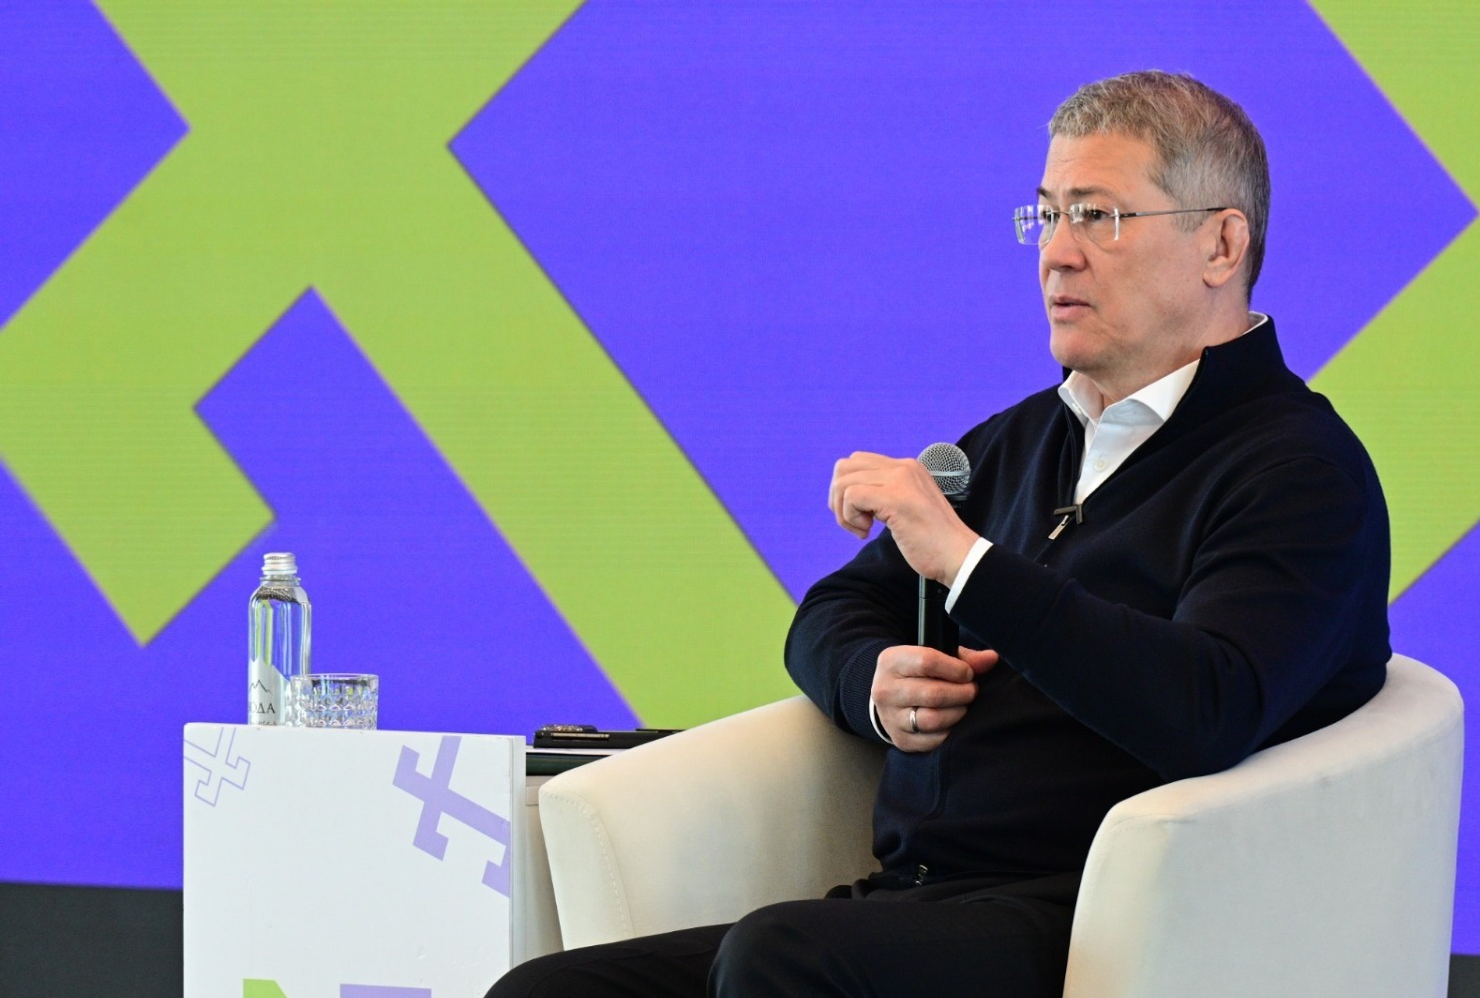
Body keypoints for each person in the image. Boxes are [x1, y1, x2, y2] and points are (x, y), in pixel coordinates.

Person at [487, 69, 1390, 998]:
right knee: (547, 993)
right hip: (918, 899)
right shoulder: (1020, 441)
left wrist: (968, 563)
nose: (1057, 256)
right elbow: (837, 609)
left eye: (1099, 217)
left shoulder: (1298, 471)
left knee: (781, 957)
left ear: (1221, 245)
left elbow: (1207, 708)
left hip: (1098, 925)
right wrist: (875, 684)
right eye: (1047, 216)